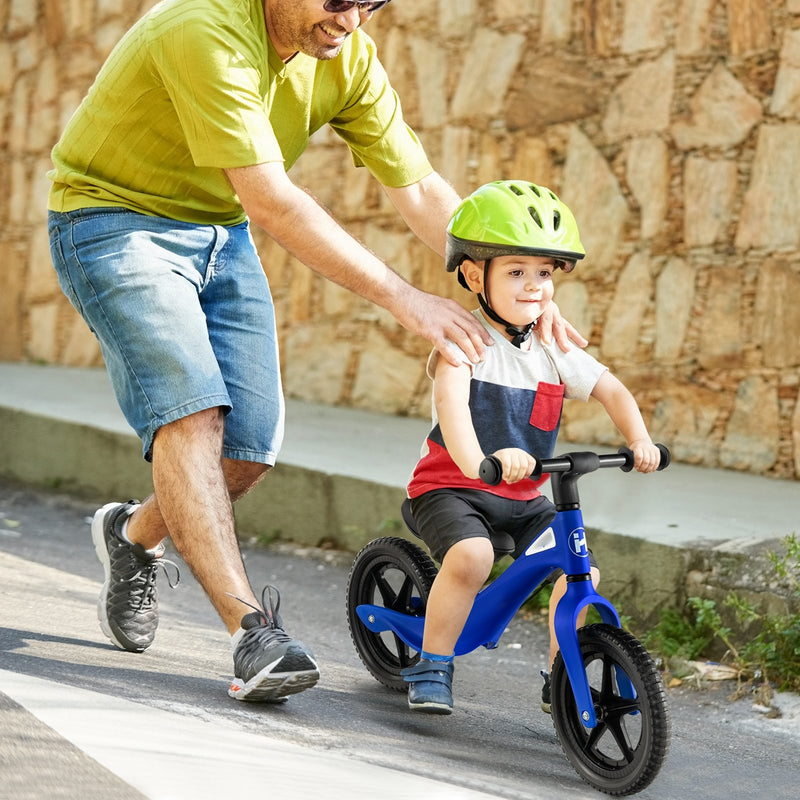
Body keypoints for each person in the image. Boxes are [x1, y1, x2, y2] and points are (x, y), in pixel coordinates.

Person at [45, 0, 584, 703]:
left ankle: (133, 536)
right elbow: (273, 201)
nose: (353, 20)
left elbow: (419, 189)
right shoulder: (202, 30)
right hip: (112, 220)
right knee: (195, 412)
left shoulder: (346, 55)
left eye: (372, 3)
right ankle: (251, 634)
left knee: (247, 450)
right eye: (339, 0)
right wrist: (403, 297)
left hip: (218, 231)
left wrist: (514, 283)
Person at [402, 180, 661, 714]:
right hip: (452, 487)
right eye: (516, 272)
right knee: (471, 557)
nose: (533, 286)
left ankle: (561, 678)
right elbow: (451, 409)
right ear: (476, 275)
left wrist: (637, 441)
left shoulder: (552, 346)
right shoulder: (463, 341)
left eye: (543, 273)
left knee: (580, 569)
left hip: (522, 494)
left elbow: (610, 389)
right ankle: (433, 662)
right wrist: (479, 462)